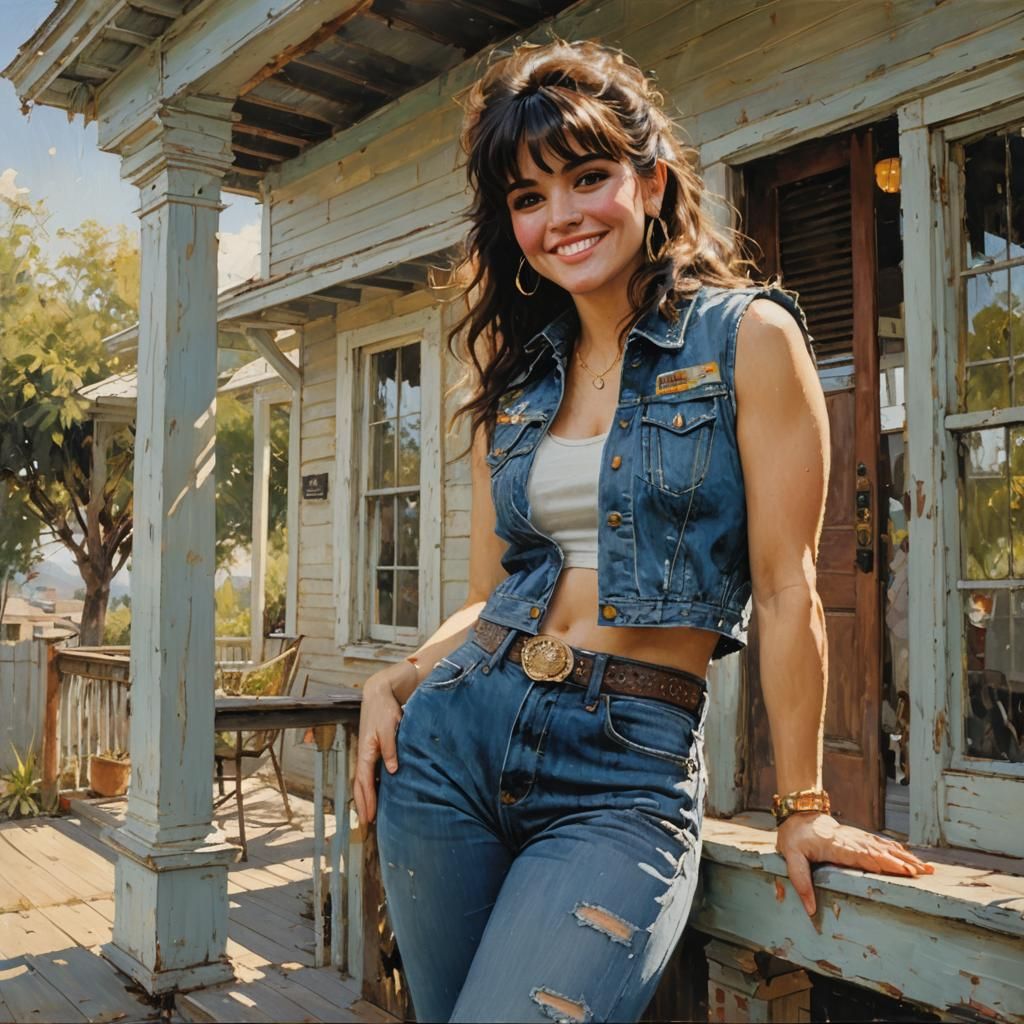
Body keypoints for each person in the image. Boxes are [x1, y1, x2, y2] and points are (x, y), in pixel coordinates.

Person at [352, 39, 933, 1023]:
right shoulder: (518, 380)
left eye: (586, 178)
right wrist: (394, 675)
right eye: (527, 198)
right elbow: (494, 597)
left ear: (650, 182)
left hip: (623, 766)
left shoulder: (747, 338)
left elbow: (789, 583)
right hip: (448, 750)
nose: (560, 216)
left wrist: (804, 804)